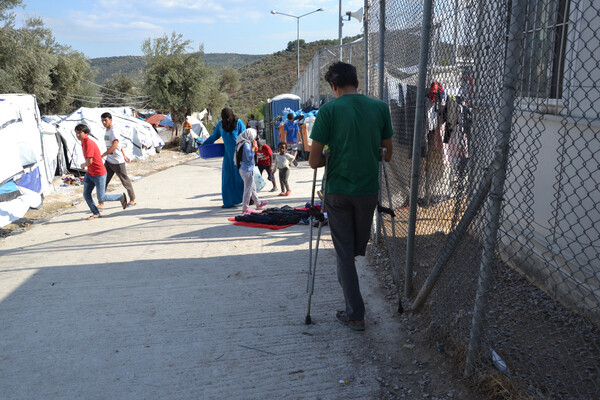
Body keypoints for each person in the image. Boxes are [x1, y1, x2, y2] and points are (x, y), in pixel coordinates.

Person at [309, 61, 393, 332]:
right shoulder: (380, 108)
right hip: (367, 190)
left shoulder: (328, 110)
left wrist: (329, 154)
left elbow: (313, 162)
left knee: (344, 254)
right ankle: (352, 298)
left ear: (333, 86)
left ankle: (356, 315)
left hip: (337, 192)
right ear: (357, 82)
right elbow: (387, 154)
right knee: (354, 249)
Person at [75, 123, 127, 220]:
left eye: (79, 133)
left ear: (85, 133)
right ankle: (96, 213)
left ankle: (120, 197)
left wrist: (83, 165)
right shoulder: (83, 142)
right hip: (90, 173)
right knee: (86, 194)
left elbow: (90, 161)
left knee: (101, 198)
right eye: (76, 133)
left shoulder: (88, 143)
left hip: (99, 173)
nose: (77, 135)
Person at [202, 108, 245, 208]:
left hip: (239, 155)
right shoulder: (221, 125)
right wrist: (203, 146)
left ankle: (247, 198)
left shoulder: (238, 123)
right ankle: (228, 202)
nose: (227, 120)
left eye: (228, 118)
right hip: (228, 157)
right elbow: (213, 136)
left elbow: (245, 137)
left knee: (241, 178)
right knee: (227, 179)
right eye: (225, 118)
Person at [98, 112, 136, 209]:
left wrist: (103, 155)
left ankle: (132, 199)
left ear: (110, 120)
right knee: (103, 181)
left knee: (125, 181)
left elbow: (115, 145)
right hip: (109, 161)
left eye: (105, 120)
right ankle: (101, 202)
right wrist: (124, 155)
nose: (104, 122)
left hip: (118, 162)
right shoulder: (107, 131)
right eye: (102, 120)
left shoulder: (114, 131)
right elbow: (120, 145)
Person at [234, 128, 268, 214]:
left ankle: (258, 203)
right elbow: (249, 157)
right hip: (247, 169)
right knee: (248, 190)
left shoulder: (241, 142)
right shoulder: (246, 144)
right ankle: (245, 208)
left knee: (252, 188)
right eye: (254, 136)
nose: (255, 138)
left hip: (245, 168)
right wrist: (253, 148)